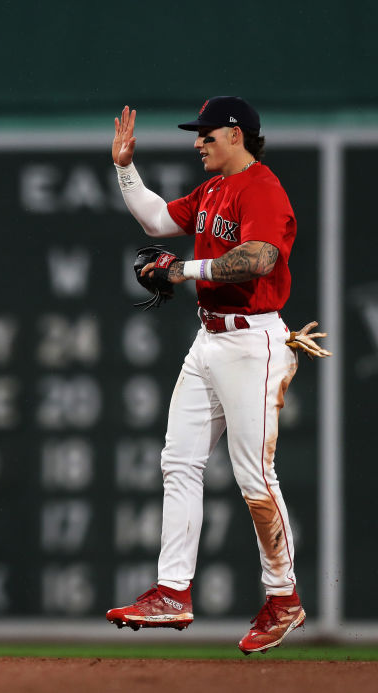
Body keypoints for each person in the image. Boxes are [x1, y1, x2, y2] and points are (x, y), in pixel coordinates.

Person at [106, 97, 317, 654]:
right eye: (197, 134)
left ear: (236, 134)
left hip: (253, 340)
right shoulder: (212, 190)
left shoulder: (261, 187)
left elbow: (260, 258)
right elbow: (156, 218)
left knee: (255, 478)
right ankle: (173, 590)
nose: (197, 142)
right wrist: (125, 166)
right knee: (178, 461)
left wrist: (182, 269)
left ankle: (284, 597)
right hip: (210, 339)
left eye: (206, 134)